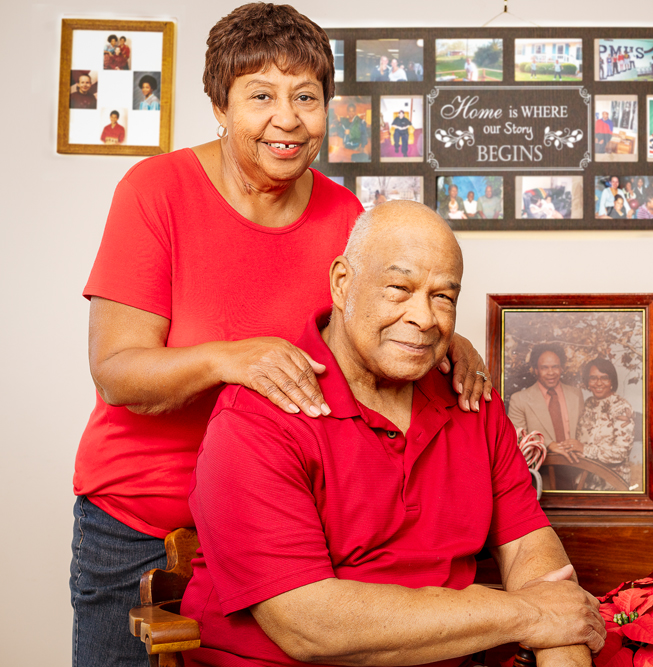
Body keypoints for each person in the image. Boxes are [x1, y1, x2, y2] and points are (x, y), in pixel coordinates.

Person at [70, 6, 491, 667]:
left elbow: (373, 339)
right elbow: (117, 371)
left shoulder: (346, 216)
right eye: (261, 95)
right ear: (219, 105)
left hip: (291, 527)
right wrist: (234, 359)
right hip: (142, 525)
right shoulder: (156, 191)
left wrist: (445, 341)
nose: (287, 119)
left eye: (306, 97)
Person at [180, 203, 605, 667]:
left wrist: (562, 645)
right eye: (399, 289)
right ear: (343, 283)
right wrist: (527, 615)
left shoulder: (471, 399)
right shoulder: (256, 419)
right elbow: (308, 624)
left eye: (443, 297)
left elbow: (531, 550)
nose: (424, 317)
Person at [562, 358, 635, 491]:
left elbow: (621, 452)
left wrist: (584, 449)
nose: (599, 383)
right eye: (593, 378)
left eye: (604, 378)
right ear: (587, 382)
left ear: (612, 381)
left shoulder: (622, 407)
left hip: (611, 484)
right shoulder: (588, 404)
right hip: (584, 482)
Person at [508, 343, 584, 462]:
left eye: (555, 367)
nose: (551, 372)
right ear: (536, 370)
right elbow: (516, 441)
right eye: (544, 368)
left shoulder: (576, 395)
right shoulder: (519, 400)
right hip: (541, 472)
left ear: (561, 368)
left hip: (578, 468)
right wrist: (549, 444)